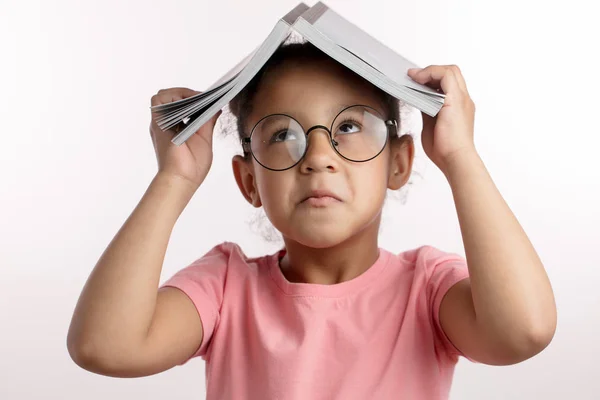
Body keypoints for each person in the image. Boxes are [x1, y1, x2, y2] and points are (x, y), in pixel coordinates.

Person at [66, 42, 557, 399]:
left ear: (399, 163)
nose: (318, 157)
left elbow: (523, 331)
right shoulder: (225, 287)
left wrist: (460, 156)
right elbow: (104, 347)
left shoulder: (426, 290)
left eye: (349, 126)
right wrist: (175, 179)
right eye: (282, 134)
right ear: (249, 181)